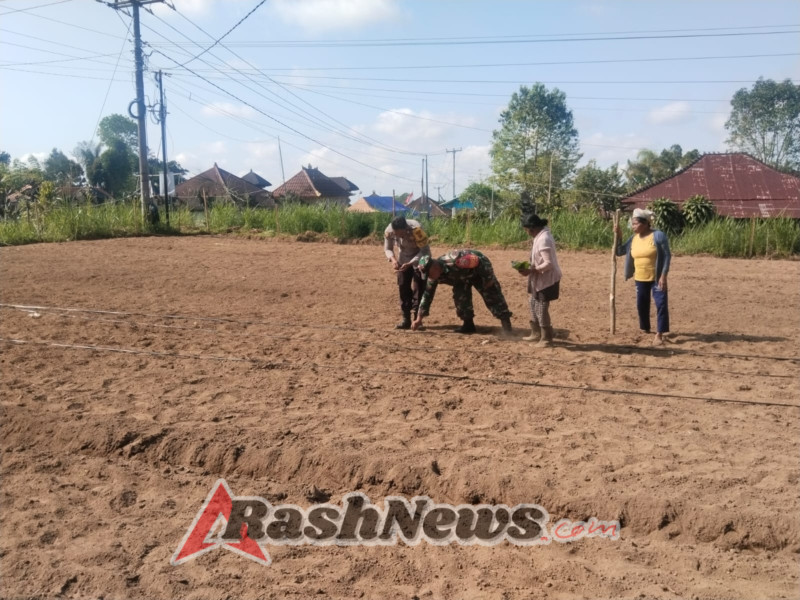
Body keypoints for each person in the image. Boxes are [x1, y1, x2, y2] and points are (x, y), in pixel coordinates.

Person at [411, 249, 513, 335]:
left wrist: (489, 278)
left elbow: (480, 260)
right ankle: (468, 325)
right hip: (461, 279)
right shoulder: (434, 276)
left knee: (492, 295)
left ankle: (507, 327)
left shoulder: (455, 260)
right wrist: (419, 319)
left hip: (478, 272)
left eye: (429, 274)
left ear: (435, 267)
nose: (429, 277)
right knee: (460, 298)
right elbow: (427, 295)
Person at [614, 208, 671, 346]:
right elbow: (619, 251)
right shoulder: (633, 239)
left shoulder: (658, 236)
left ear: (645, 223)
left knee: (661, 304)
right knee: (641, 304)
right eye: (632, 224)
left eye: (635, 224)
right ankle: (645, 327)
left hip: (656, 277)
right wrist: (619, 236)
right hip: (640, 278)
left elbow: (667, 256)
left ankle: (659, 333)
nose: (633, 227)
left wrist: (663, 275)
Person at [516, 213, 562, 347]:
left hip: (547, 279)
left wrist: (531, 270)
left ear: (532, 228)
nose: (526, 232)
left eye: (526, 230)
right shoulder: (539, 236)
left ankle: (546, 338)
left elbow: (548, 264)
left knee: (541, 307)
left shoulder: (544, 239)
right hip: (539, 278)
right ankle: (536, 333)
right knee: (532, 303)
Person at [384, 215, 431, 329]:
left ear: (405, 228)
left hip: (419, 259)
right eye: (396, 234)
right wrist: (393, 260)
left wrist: (411, 263)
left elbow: (425, 251)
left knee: (419, 288)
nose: (397, 236)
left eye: (400, 234)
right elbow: (388, 248)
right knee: (403, 287)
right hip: (402, 259)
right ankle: (406, 319)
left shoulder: (417, 229)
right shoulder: (389, 231)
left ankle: (417, 319)